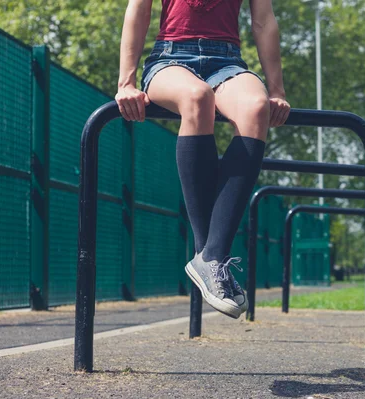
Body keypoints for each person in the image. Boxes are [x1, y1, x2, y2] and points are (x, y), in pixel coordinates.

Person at [115, 0, 291, 319]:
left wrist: (277, 89)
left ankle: (213, 255)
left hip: (228, 62)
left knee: (256, 106)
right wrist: (125, 82)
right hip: (170, 60)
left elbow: (263, 19)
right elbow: (138, 8)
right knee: (198, 98)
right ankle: (207, 254)